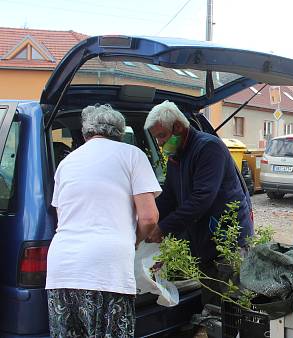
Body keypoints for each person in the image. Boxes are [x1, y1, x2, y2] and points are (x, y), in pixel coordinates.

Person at [46, 104, 161, 337]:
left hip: (62, 268)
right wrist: (134, 241)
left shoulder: (67, 163)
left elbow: (63, 216)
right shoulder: (132, 155)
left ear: (85, 132)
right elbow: (149, 217)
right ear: (119, 132)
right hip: (107, 267)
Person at [144, 101, 254, 302]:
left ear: (178, 127)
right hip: (205, 244)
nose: (159, 143)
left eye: (161, 136)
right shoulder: (176, 156)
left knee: (234, 305)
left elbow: (201, 199)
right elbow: (169, 197)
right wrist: (148, 221)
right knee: (212, 304)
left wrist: (163, 228)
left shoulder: (208, 148)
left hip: (228, 242)